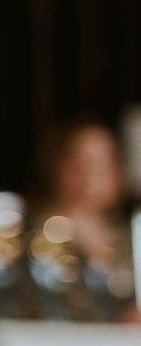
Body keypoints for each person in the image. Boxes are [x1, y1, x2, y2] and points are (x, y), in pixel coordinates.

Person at [22, 118, 138, 322]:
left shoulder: (130, 236)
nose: (92, 174)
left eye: (103, 162)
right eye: (81, 162)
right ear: (56, 164)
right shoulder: (36, 238)